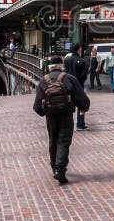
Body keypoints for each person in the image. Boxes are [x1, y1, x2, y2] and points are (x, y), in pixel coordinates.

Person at [33, 56, 90, 185]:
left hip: (51, 117)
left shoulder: (44, 81)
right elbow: (81, 97)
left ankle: (54, 167)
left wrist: (45, 111)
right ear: (61, 65)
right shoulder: (69, 78)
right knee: (64, 141)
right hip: (66, 115)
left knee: (53, 140)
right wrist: (83, 108)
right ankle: (60, 169)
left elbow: (37, 106)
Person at [64, 43, 89, 129]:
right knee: (81, 104)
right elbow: (84, 75)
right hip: (79, 85)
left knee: (68, 104)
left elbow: (65, 71)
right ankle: (80, 124)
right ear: (79, 49)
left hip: (67, 85)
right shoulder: (83, 61)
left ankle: (67, 124)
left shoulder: (66, 60)